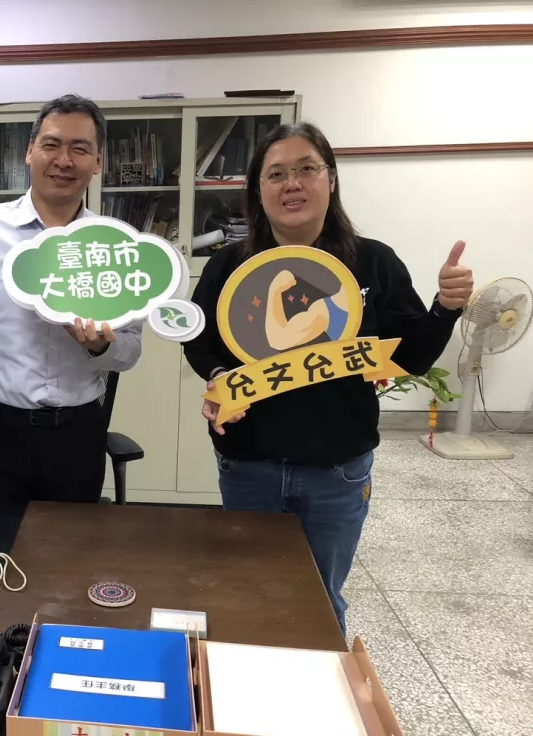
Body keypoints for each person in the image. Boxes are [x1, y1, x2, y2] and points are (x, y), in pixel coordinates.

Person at [183, 122, 473, 632]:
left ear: (331, 180)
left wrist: (445, 308)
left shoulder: (373, 261)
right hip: (249, 463)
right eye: (276, 174)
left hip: (337, 469)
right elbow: (199, 338)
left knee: (319, 602)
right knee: (250, 598)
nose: (291, 184)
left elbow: (410, 356)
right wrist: (220, 375)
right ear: (258, 189)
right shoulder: (228, 265)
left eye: (306, 169)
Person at [0, 95, 142, 505]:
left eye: (80, 149)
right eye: (51, 145)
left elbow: (130, 352)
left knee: (71, 543)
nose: (64, 160)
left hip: (78, 435)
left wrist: (102, 347)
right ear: (29, 152)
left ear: (98, 162)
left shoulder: (112, 245)